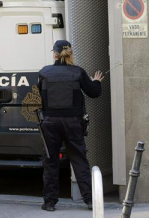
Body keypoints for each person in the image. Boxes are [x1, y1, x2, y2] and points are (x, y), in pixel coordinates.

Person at [37, 40, 103, 212]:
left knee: (51, 161)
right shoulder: (78, 72)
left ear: (55, 54)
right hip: (73, 123)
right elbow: (94, 93)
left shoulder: (44, 72)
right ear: (70, 53)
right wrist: (95, 81)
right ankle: (90, 201)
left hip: (50, 123)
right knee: (79, 160)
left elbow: (39, 95)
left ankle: (50, 203)